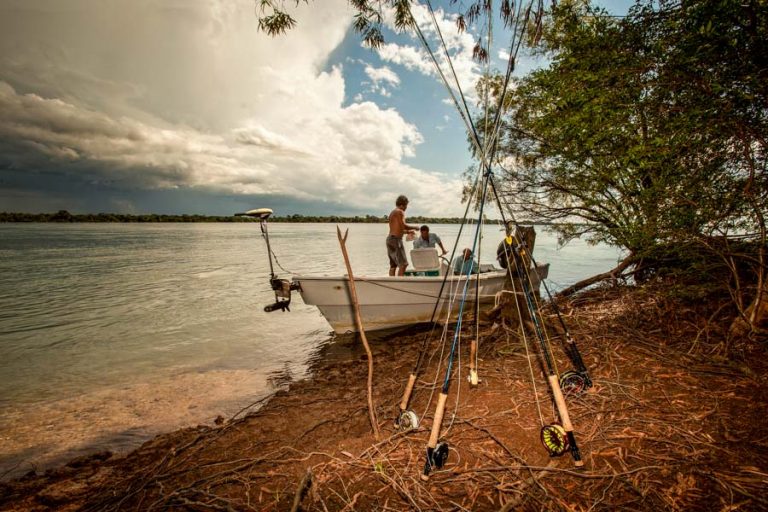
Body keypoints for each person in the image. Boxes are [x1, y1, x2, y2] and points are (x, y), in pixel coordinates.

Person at [387, 195, 419, 276]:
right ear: (403, 204)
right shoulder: (400, 211)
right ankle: (399, 283)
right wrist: (415, 227)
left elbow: (398, 229)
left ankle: (392, 282)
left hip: (390, 239)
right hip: (396, 240)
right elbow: (403, 225)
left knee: (393, 265)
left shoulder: (392, 212)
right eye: (406, 205)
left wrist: (408, 232)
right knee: (404, 264)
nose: (406, 208)